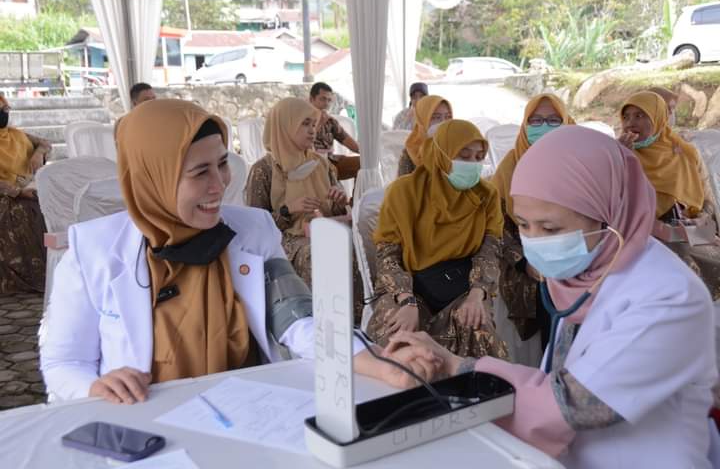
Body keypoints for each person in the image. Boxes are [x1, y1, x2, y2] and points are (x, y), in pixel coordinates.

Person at [39, 99, 441, 403]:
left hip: (242, 411)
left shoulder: (249, 231)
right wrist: (94, 387)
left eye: (222, 164)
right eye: (200, 172)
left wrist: (379, 363)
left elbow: (299, 321)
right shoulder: (93, 251)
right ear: (153, 178)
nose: (220, 184)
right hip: (146, 423)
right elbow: (63, 363)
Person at [387, 126, 717, 468]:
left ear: (611, 214)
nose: (535, 241)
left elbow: (573, 403)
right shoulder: (585, 274)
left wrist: (455, 366)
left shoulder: (670, 297)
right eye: (524, 225)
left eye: (551, 229)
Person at [368, 119, 508, 360]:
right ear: (441, 153)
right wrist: (406, 300)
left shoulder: (486, 195)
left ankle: (471, 383)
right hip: (407, 284)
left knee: (477, 326)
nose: (472, 164)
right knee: (399, 336)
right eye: (463, 155)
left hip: (463, 285)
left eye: (478, 157)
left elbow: (490, 249)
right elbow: (387, 254)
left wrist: (478, 293)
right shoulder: (404, 192)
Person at [245, 97, 364, 323]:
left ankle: (352, 322)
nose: (312, 130)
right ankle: (316, 323)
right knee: (316, 252)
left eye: (313, 124)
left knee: (356, 245)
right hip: (286, 237)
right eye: (305, 124)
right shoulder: (264, 170)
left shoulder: (321, 163)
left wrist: (338, 200)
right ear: (285, 125)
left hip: (323, 228)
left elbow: (334, 208)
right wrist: (288, 210)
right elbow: (255, 227)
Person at [618, 91, 720, 300]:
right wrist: (618, 157)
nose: (630, 123)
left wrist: (703, 217)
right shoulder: (618, 154)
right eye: (626, 117)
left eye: (640, 116)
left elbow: (707, 199)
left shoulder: (686, 153)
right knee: (679, 264)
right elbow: (610, 203)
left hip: (690, 229)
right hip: (641, 235)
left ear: (658, 118)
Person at [491, 94, 575, 344]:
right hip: (530, 266)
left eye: (553, 120)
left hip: (579, 259)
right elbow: (497, 227)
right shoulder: (510, 166)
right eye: (536, 120)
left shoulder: (581, 162)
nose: (544, 126)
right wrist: (525, 262)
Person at [0, 94, 49, 294]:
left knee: (50, 204)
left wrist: (38, 153)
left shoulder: (15, 134)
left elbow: (45, 143)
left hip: (25, 188)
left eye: (5, 110)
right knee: (24, 212)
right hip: (6, 194)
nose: (4, 114)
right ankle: (29, 275)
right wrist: (18, 192)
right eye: (0, 111)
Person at [309, 82, 360, 181]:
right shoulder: (302, 119)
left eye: (329, 100)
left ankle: (360, 192)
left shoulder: (330, 122)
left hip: (330, 162)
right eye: (323, 99)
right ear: (311, 99)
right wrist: (319, 123)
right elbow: (302, 145)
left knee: (363, 163)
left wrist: (368, 153)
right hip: (310, 163)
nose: (326, 104)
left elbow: (349, 142)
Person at [396, 95, 452, 177]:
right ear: (422, 121)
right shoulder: (410, 156)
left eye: (448, 117)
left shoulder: (456, 150)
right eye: (436, 117)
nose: (443, 122)